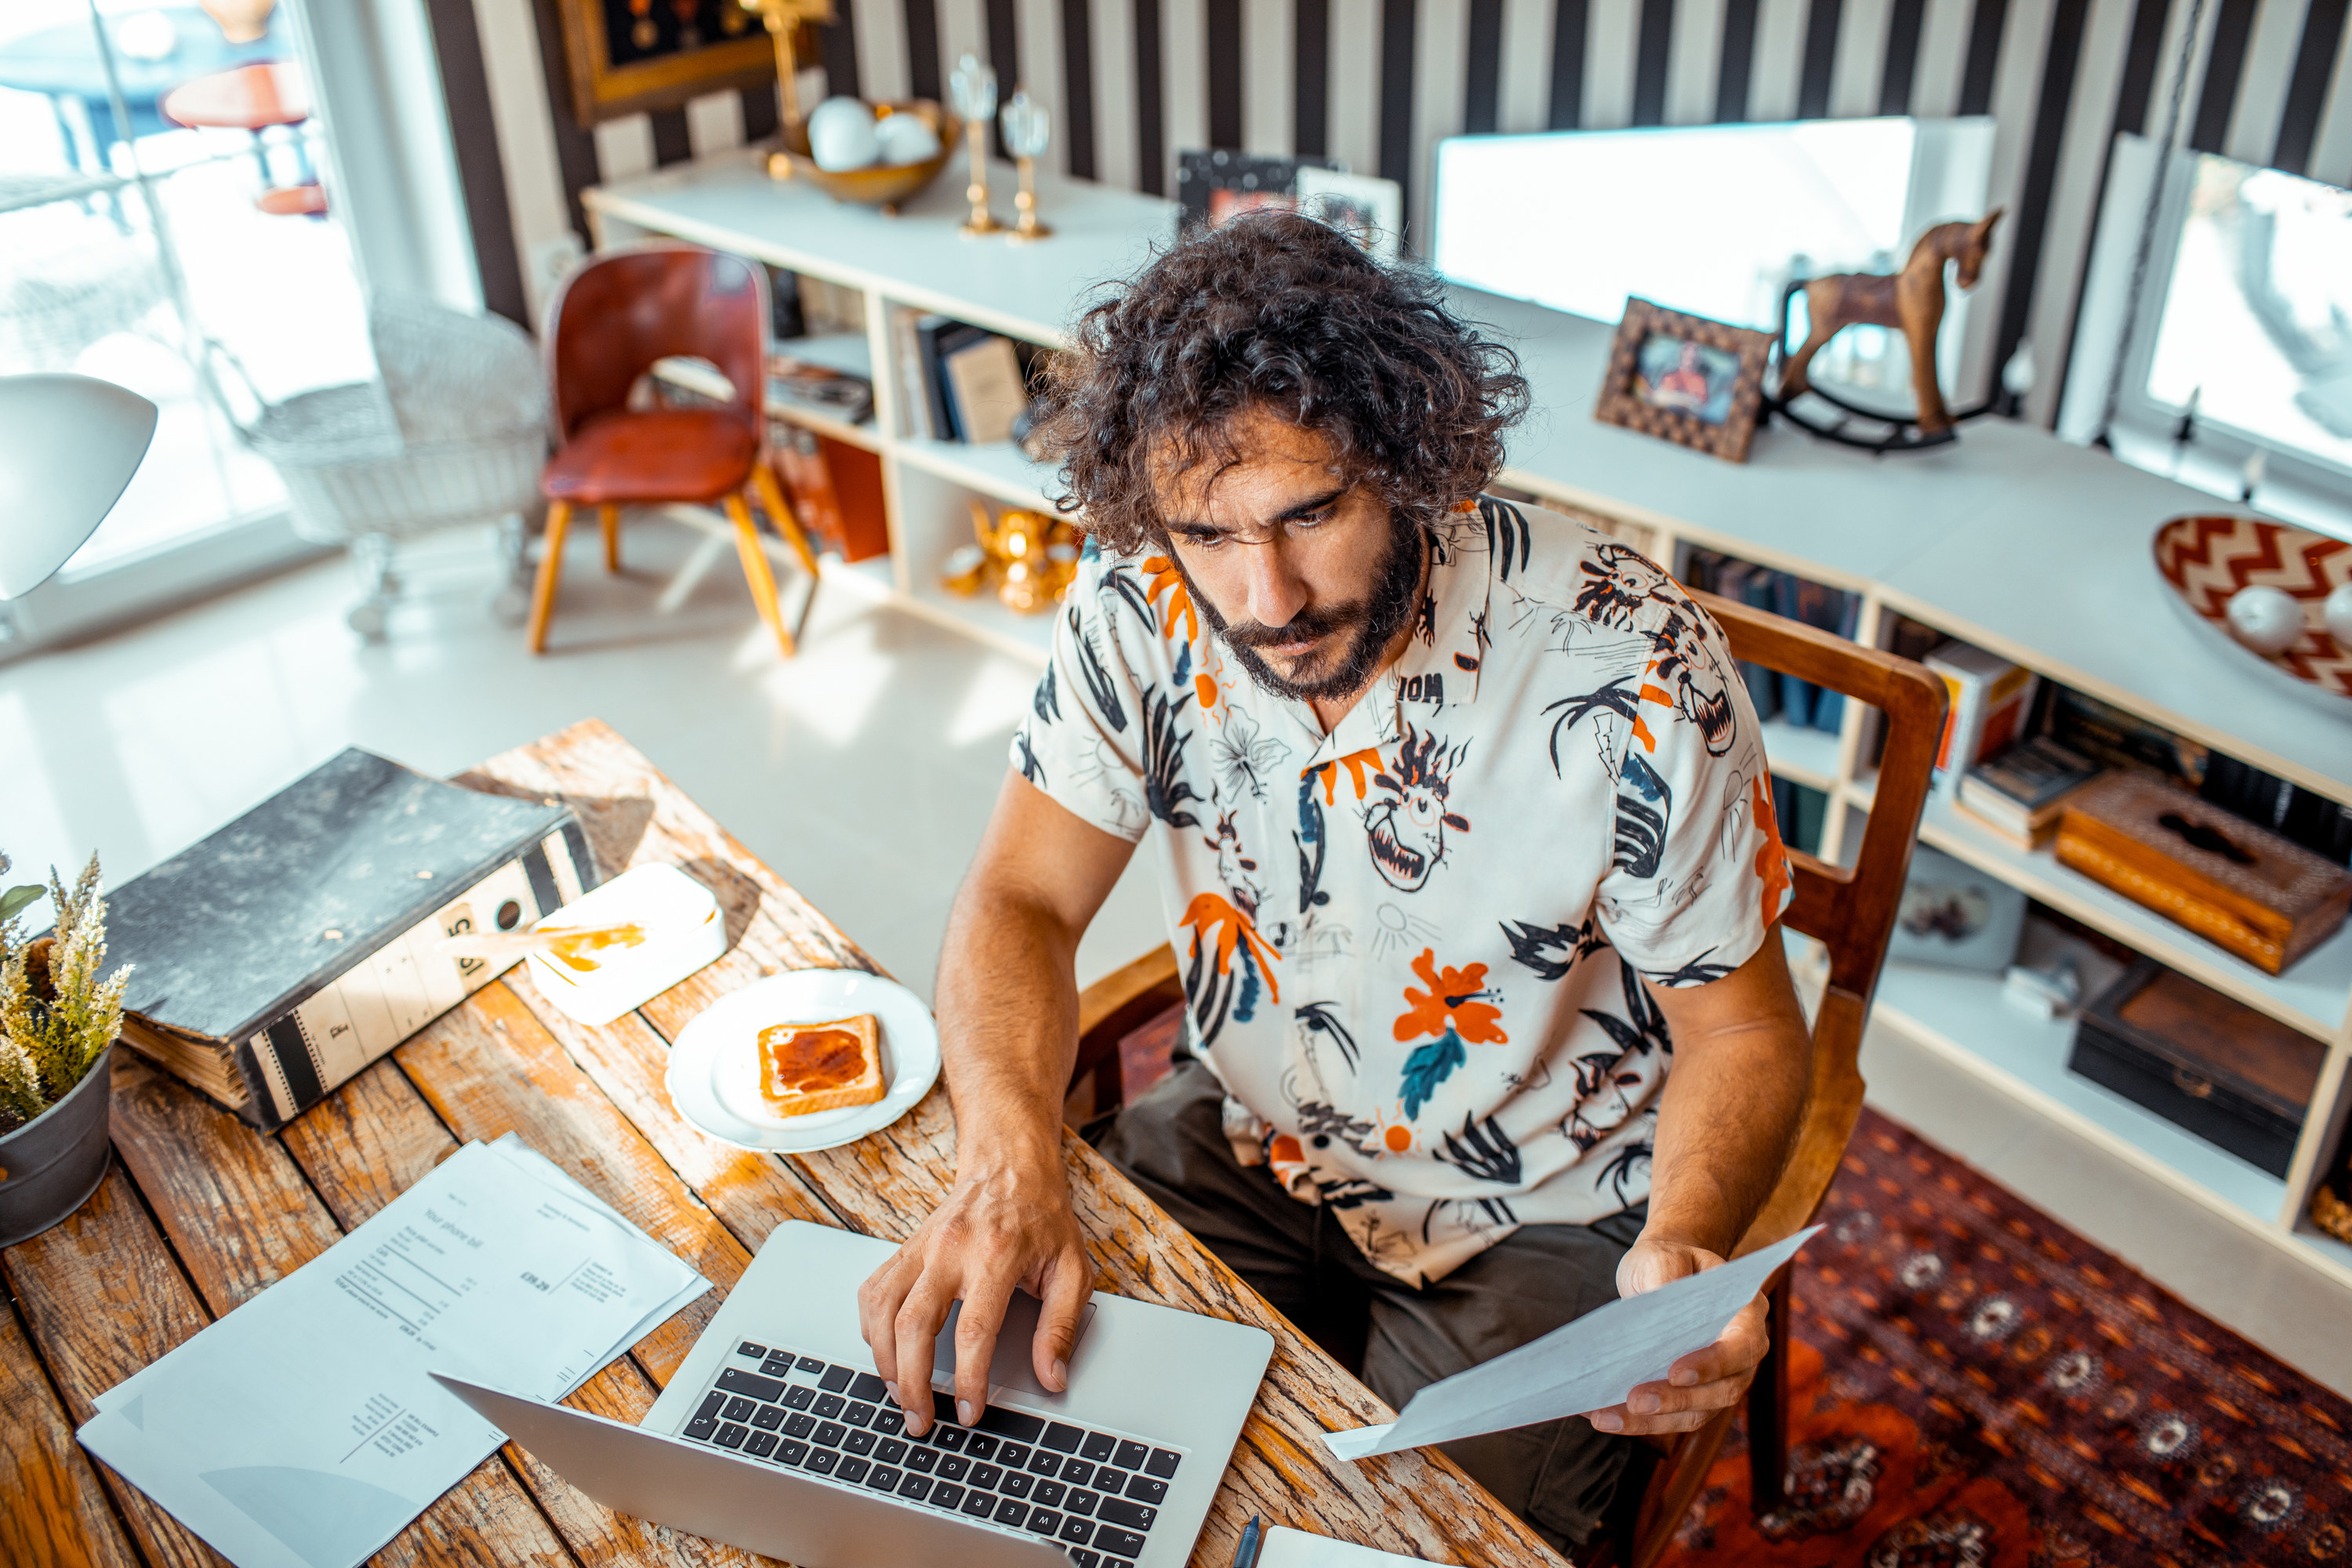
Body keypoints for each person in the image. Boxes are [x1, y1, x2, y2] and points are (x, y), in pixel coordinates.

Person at [855, 212, 1813, 1551]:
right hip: (1249, 1135)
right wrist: (1008, 1159)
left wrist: (1688, 1237)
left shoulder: (1633, 666)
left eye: (1311, 512)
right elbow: (1022, 895)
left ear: (1407, 455)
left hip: (1541, 1202)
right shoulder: (1139, 602)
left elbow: (1748, 1026)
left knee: (1408, 1545)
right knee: (1011, 1455)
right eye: (1209, 532)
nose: (1269, 596)